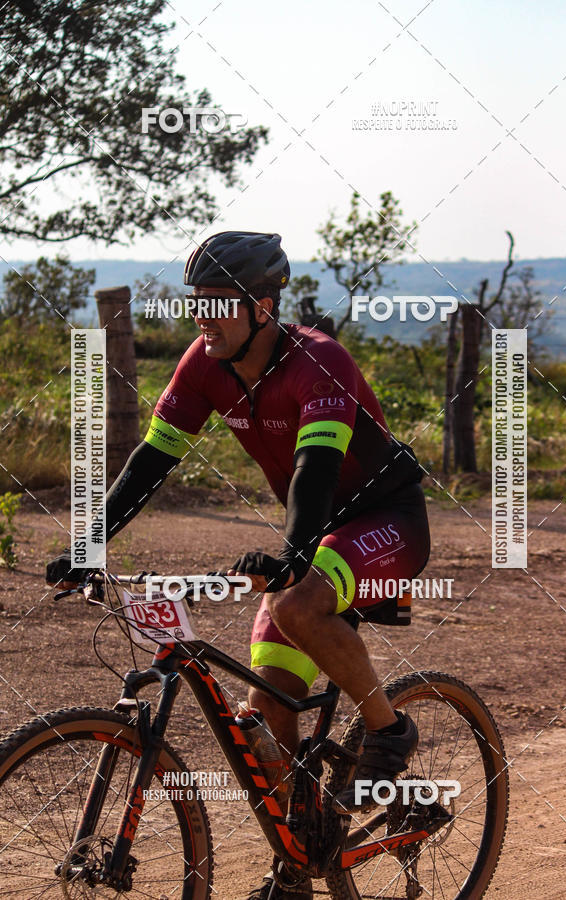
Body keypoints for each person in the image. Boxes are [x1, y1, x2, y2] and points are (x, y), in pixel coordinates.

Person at [47, 231, 430, 900]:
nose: (202, 317)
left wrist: (293, 557)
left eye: (217, 303)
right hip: (319, 535)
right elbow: (152, 460)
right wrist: (89, 547)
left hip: (387, 522)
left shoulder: (320, 361)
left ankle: (389, 732)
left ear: (263, 307)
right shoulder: (205, 364)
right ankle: (298, 865)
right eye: (196, 301)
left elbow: (315, 471)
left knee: (296, 602)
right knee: (266, 715)